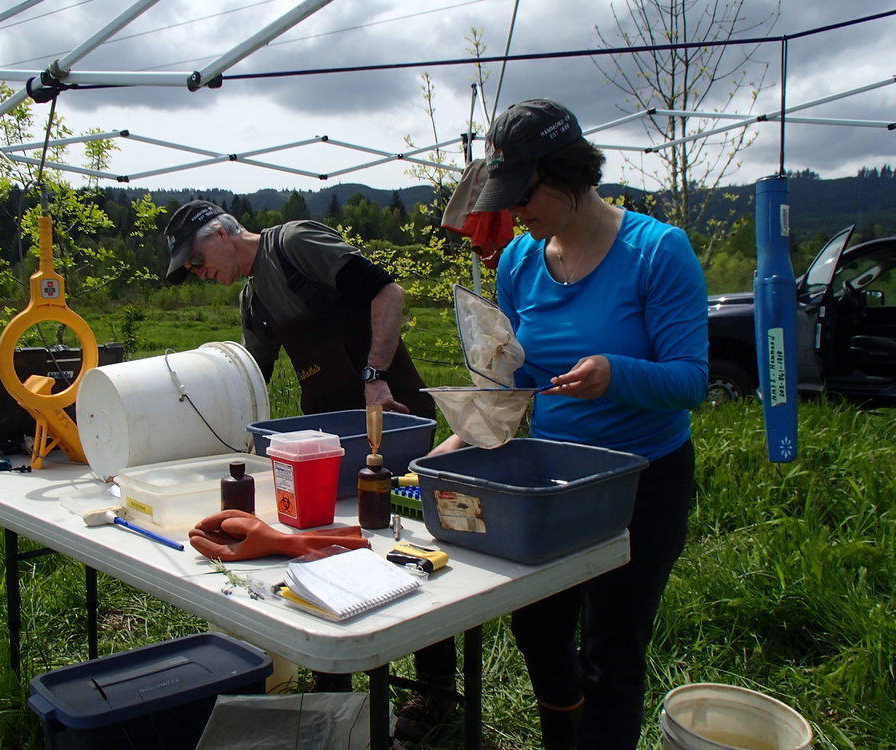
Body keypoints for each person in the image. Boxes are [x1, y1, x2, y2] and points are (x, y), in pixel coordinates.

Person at [433, 99, 708, 749]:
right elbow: (516, 382)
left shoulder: (656, 252)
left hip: (639, 484)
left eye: (522, 193)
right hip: (551, 480)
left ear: (565, 173)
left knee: (611, 650)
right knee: (536, 628)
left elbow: (690, 380)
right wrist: (459, 438)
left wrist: (617, 372)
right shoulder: (522, 262)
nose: (513, 212)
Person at [164, 201, 458, 741]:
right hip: (326, 440)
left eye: (197, 257)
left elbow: (387, 293)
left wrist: (376, 374)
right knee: (326, 545)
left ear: (224, 233)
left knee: (401, 543)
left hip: (388, 419)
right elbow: (251, 377)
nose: (197, 271)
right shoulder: (254, 302)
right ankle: (335, 684)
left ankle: (436, 691)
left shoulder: (293, 243)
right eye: (189, 268)